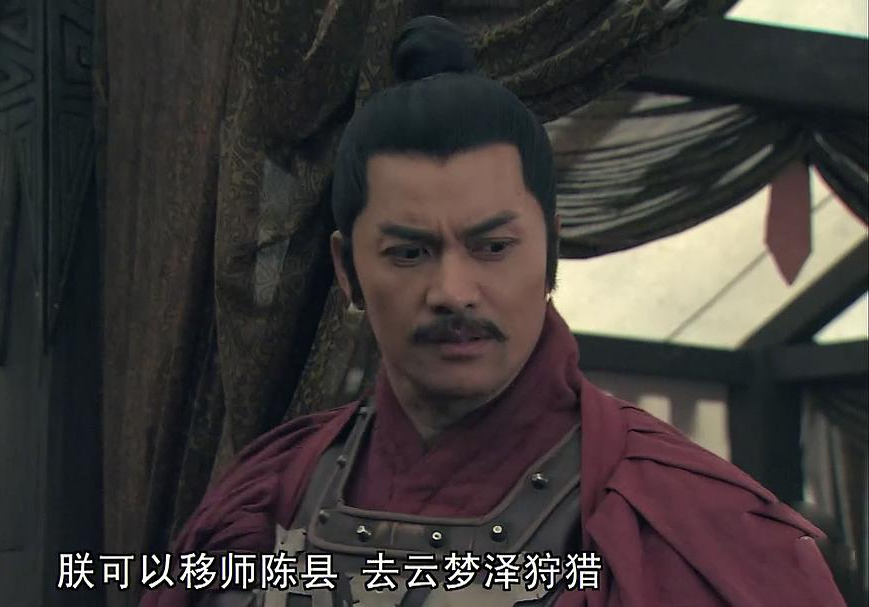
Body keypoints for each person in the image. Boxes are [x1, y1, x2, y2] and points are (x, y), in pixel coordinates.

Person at [140, 16, 845, 607]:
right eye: (409, 252)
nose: (453, 289)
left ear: (551, 253)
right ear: (346, 269)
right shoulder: (267, 498)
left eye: (493, 246)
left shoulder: (686, 528)